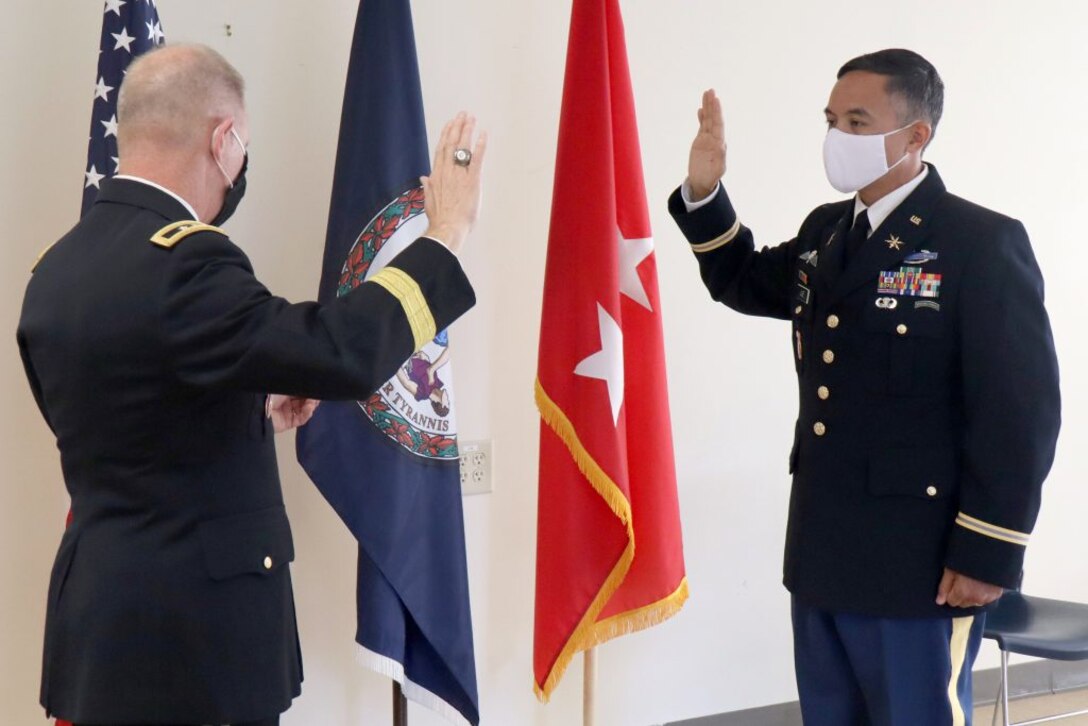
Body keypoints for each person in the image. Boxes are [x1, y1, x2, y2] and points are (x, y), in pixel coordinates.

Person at [17, 43, 486, 726]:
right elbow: (338, 353)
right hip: (193, 649)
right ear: (224, 138)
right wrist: (444, 237)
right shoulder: (188, 262)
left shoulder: (55, 272)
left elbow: (123, 421)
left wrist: (247, 404)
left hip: (100, 632)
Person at [670, 49, 1060, 724]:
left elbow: (1019, 414)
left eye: (857, 121)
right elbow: (742, 281)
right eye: (831, 120)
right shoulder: (828, 230)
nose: (837, 138)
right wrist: (705, 194)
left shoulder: (978, 242)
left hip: (922, 566)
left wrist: (988, 552)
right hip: (824, 552)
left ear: (916, 136)